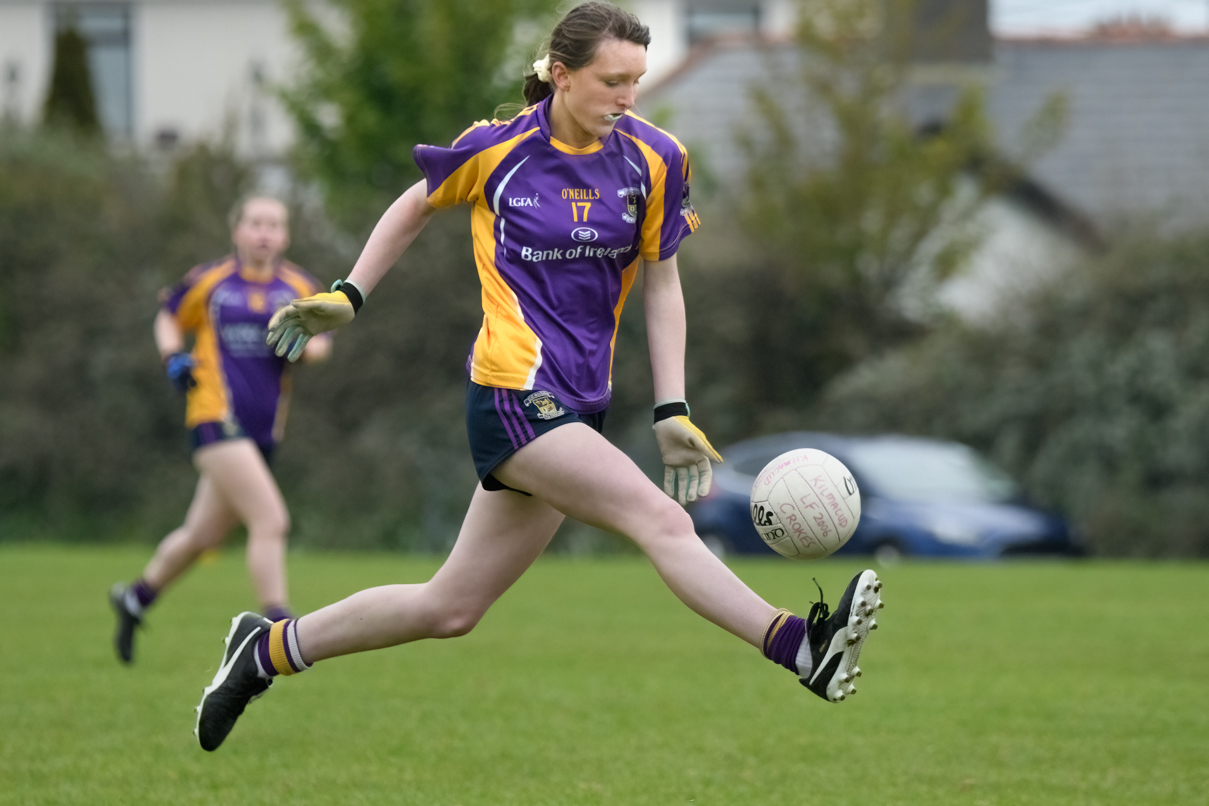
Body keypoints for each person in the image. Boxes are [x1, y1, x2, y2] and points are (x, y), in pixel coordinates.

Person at [193, 2, 884, 752]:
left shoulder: (656, 158)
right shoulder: (499, 150)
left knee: (449, 607)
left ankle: (262, 651)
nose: (628, 97)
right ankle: (799, 648)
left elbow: (663, 284)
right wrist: (348, 293)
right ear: (561, 75)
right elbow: (414, 205)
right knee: (660, 521)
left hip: (578, 405)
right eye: (611, 81)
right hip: (511, 393)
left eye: (636, 81)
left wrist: (671, 406)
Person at [109, 196, 331, 664]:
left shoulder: (297, 286)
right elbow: (168, 314)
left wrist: (307, 349)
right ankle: (277, 630)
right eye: (255, 223)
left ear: (285, 236)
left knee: (202, 536)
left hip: (264, 430)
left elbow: (321, 341)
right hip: (213, 415)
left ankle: (136, 598)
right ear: (237, 231)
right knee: (271, 520)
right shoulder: (211, 281)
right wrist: (172, 356)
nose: (264, 232)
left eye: (274, 224)